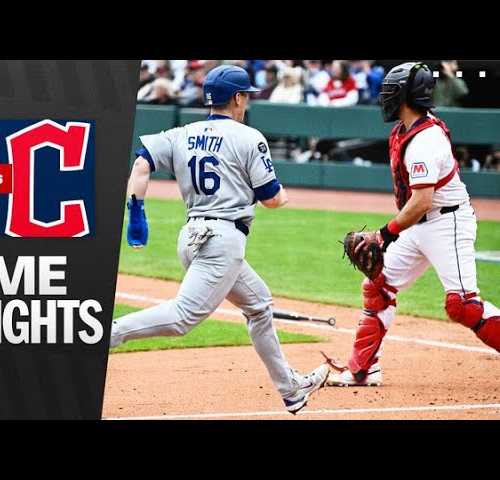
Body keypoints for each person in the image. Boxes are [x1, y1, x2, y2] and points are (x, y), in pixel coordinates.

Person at [111, 65, 330, 413]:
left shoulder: (181, 133)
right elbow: (271, 199)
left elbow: (141, 165)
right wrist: (283, 196)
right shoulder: (249, 137)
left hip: (192, 237)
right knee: (181, 318)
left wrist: (135, 213)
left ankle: (291, 389)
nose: (248, 102)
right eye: (247, 96)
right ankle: (99, 334)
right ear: (238, 98)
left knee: (260, 305)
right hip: (221, 242)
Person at [326, 62, 500, 387]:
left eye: (391, 91)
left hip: (447, 223)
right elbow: (416, 206)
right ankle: (363, 369)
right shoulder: (404, 131)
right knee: (378, 287)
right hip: (419, 225)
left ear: (407, 95)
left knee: (463, 306)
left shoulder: (425, 139)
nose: (385, 97)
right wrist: (393, 233)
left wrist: (383, 235)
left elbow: (422, 200)